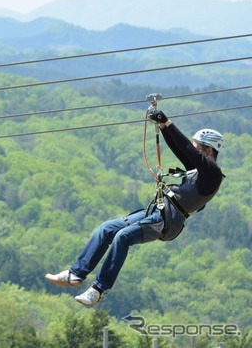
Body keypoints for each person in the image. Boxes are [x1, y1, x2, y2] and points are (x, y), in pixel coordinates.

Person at [45, 109, 224, 305]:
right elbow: (180, 149)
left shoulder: (212, 175)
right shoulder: (200, 170)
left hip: (165, 222)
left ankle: (98, 289)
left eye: (197, 146)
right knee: (106, 229)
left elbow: (186, 149)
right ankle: (75, 274)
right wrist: (163, 128)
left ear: (208, 150)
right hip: (156, 212)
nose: (193, 148)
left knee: (122, 237)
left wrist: (168, 123)